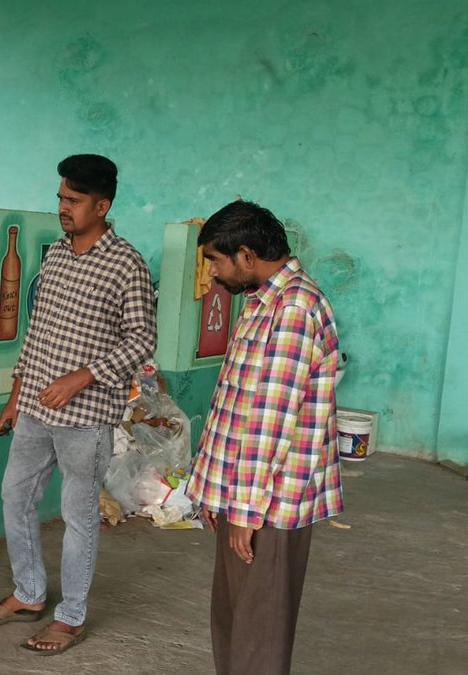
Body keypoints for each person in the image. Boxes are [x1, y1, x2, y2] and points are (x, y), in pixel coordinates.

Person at [0, 154, 156, 654]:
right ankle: (29, 593)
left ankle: (70, 616)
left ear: (102, 204)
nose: (62, 208)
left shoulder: (127, 264)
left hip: (85, 417)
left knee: (77, 515)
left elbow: (142, 340)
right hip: (34, 409)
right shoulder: (54, 254)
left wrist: (84, 377)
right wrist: (15, 397)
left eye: (72, 200)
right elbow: (38, 333)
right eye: (60, 198)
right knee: (15, 497)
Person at [185, 200, 342, 675]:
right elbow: (238, 405)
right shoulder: (262, 302)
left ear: (247, 255)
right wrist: (217, 493)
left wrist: (247, 510)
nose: (212, 273)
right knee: (235, 620)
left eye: (216, 259)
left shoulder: (294, 308)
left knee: (259, 634)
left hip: (272, 503)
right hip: (247, 496)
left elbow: (270, 419)